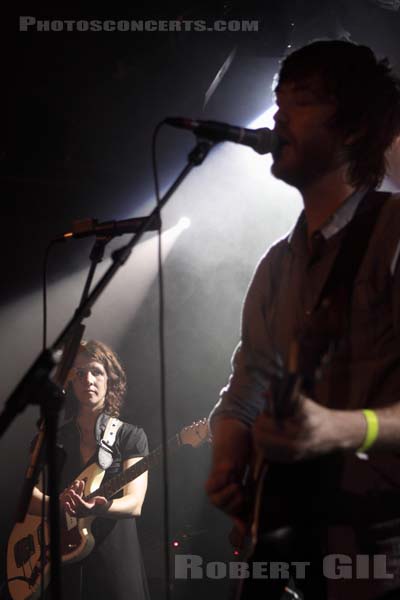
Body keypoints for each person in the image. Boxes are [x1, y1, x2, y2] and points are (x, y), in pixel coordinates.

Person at [206, 40, 400, 600]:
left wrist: (344, 428)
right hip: (287, 554)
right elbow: (245, 389)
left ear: (356, 129)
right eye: (278, 101)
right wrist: (229, 455)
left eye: (303, 101)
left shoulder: (393, 236)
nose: (278, 117)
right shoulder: (275, 266)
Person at [28, 339, 150, 600]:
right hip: (62, 559)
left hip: (114, 561)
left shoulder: (130, 436)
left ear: (110, 379)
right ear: (70, 382)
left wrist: (99, 507)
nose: (88, 380)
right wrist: (59, 503)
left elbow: (135, 503)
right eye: (80, 373)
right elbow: (28, 498)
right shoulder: (51, 437)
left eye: (96, 371)